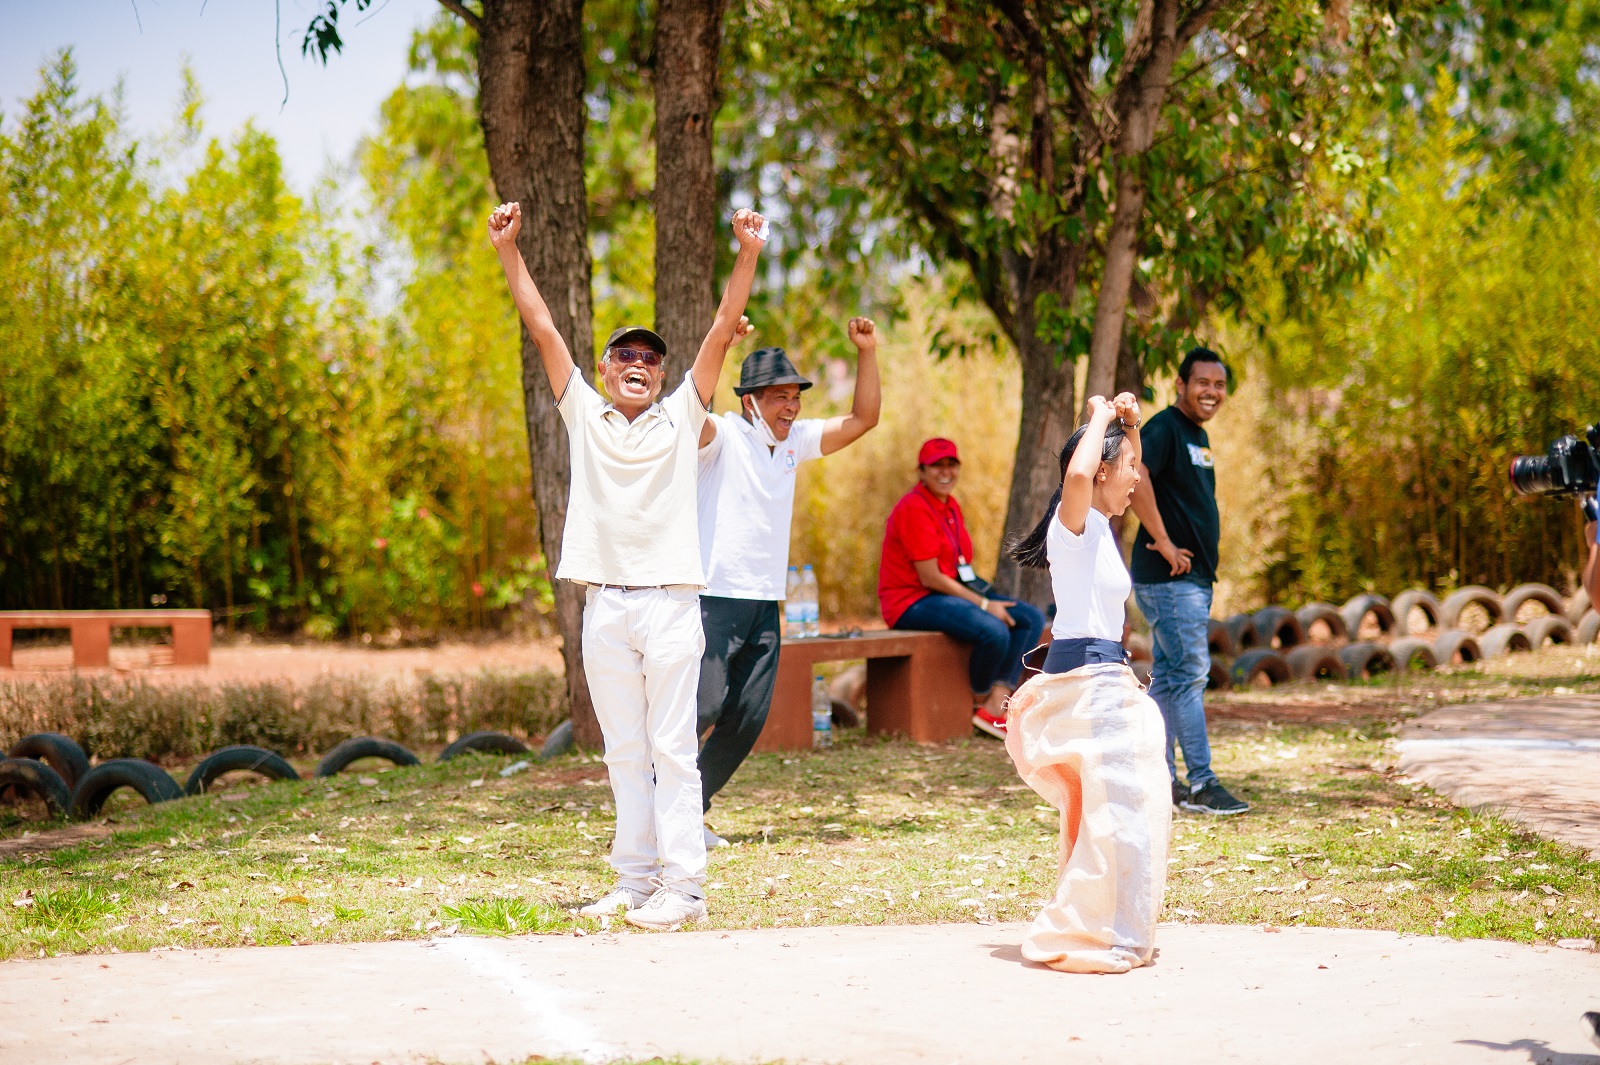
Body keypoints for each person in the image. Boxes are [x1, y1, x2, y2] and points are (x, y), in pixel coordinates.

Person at [488, 198, 766, 931]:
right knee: (622, 751)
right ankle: (636, 880)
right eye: (625, 357)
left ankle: (685, 888)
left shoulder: (682, 417)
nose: (637, 367)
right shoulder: (583, 411)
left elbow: (717, 329)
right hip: (604, 606)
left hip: (671, 605)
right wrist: (508, 250)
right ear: (605, 370)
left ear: (665, 374)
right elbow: (543, 327)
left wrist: (746, 251)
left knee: (673, 749)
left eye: (650, 359)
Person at [693, 320, 882, 844]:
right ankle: (649, 807)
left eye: (796, 397)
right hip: (715, 596)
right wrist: (722, 343)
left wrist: (866, 351)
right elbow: (691, 411)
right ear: (750, 400)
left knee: (748, 716)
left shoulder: (795, 441)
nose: (792, 407)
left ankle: (688, 810)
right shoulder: (723, 435)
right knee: (701, 708)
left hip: (765, 601)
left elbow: (865, 418)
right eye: (780, 397)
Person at [1002, 392, 1170, 974]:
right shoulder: (1070, 528)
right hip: (1084, 683)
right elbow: (1078, 470)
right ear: (1100, 470)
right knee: (1120, 807)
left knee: (1133, 803)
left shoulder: (1098, 527)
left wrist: (1129, 425)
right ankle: (1102, 930)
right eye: (1126, 469)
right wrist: (1099, 410)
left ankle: (1122, 924)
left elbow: (1113, 463)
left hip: (1108, 679)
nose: (1136, 479)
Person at [1128, 347, 1249, 816]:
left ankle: (1160, 779)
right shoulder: (1163, 428)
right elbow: (1136, 473)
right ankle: (1201, 784)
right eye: (1203, 383)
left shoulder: (1196, 434)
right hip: (1170, 576)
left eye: (1219, 385)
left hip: (1191, 577)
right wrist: (1161, 538)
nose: (1212, 392)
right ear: (1181, 385)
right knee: (1189, 676)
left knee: (1171, 678)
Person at [878, 438, 1045, 739]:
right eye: (936, 466)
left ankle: (996, 707)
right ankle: (977, 700)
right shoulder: (914, 508)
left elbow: (958, 566)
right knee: (993, 629)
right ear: (921, 471)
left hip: (945, 593)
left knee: (1029, 618)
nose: (945, 472)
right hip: (911, 600)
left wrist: (987, 597)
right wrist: (984, 605)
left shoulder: (950, 506)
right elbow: (930, 577)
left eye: (951, 465)